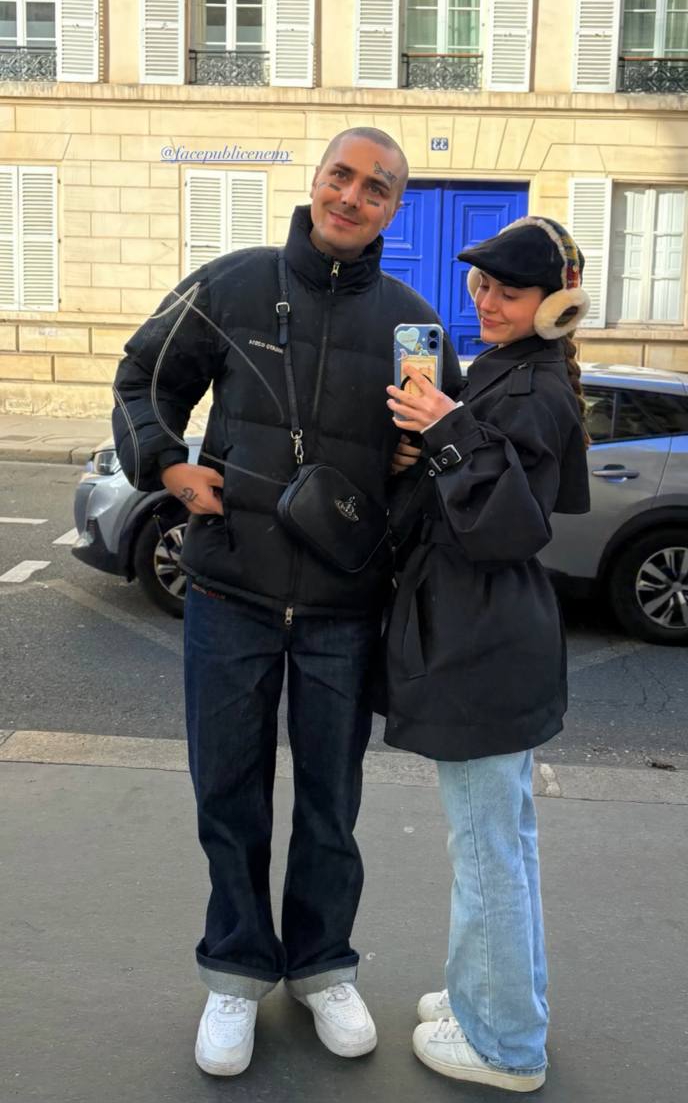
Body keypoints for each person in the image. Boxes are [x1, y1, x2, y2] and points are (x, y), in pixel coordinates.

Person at [111, 127, 462, 1077]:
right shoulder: (231, 285)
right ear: (316, 180)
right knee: (227, 792)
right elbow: (144, 377)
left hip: (344, 609)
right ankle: (235, 973)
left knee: (331, 803)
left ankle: (321, 967)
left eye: (376, 188)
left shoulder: (412, 324)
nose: (352, 197)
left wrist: (408, 470)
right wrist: (167, 466)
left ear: (393, 210)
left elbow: (439, 460)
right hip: (230, 591)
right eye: (341, 176)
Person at [383, 216, 591, 1093]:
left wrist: (447, 428)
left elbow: (509, 528)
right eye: (481, 284)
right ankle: (489, 997)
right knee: (502, 842)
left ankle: (505, 1045)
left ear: (555, 303)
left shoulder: (535, 388)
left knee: (485, 853)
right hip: (491, 632)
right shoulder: (513, 369)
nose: (487, 301)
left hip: (482, 638)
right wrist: (431, 438)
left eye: (510, 290)